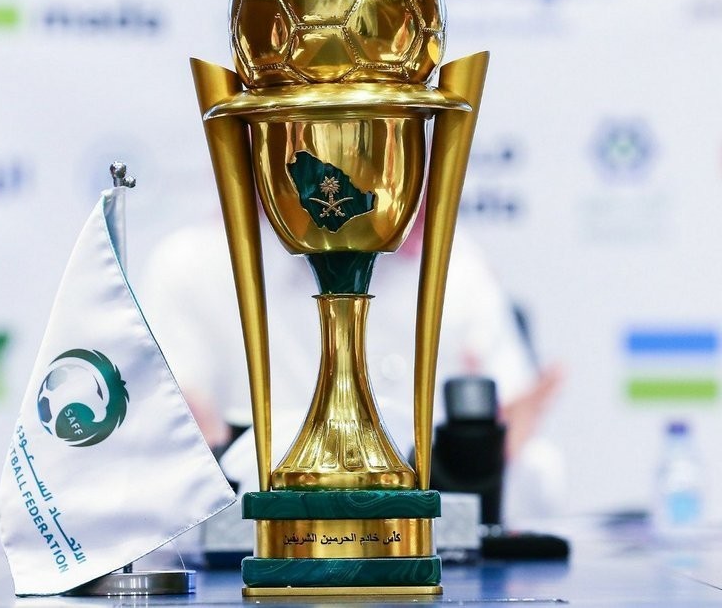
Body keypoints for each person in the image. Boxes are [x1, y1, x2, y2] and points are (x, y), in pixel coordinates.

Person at [140, 206, 564, 518]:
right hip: (268, 515)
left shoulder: (456, 263)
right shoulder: (194, 264)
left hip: (424, 514)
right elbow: (187, 436)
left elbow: (508, 419)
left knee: (540, 467)